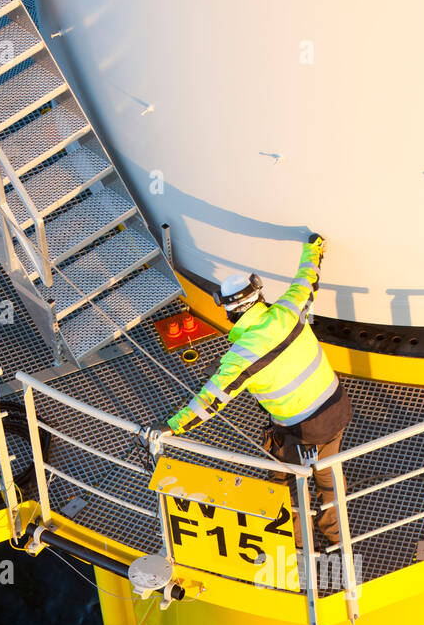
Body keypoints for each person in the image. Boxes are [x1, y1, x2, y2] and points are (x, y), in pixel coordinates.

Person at [147, 234, 352, 547]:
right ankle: (337, 535)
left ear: (230, 314)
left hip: (303, 429)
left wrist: (170, 427)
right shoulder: (287, 310)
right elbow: (307, 279)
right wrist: (313, 247)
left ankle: (300, 543)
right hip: (338, 408)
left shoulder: (239, 358)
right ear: (258, 296)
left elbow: (208, 403)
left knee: (287, 482)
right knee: (328, 474)